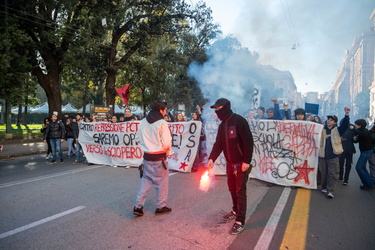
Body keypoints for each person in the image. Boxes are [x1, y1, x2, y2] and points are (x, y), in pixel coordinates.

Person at [207, 98, 254, 235]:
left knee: (240, 191)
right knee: (232, 189)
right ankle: (235, 210)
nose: (217, 111)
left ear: (226, 107)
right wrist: (211, 158)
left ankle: (240, 220)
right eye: (215, 109)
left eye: (218, 108)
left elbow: (248, 141)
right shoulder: (222, 125)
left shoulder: (239, 121)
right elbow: (218, 144)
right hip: (230, 163)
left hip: (241, 164)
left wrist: (246, 161)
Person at [133, 100, 173, 216]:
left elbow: (138, 137)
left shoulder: (143, 122)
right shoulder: (162, 123)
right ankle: (161, 206)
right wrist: (166, 151)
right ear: (161, 110)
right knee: (162, 183)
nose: (165, 112)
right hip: (159, 157)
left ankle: (138, 206)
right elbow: (166, 142)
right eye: (165, 110)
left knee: (145, 181)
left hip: (147, 157)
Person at [318, 107, 350, 198]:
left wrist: (347, 115)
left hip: (334, 156)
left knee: (333, 173)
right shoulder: (321, 129)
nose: (329, 121)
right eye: (328, 119)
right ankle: (324, 187)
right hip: (323, 155)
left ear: (335, 122)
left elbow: (345, 125)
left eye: (331, 120)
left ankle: (330, 191)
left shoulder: (338, 130)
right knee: (323, 173)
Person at [352, 119, 374, 190]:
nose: (355, 126)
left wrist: (353, 129)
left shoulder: (364, 130)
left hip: (367, 151)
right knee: (363, 168)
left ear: (360, 125)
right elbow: (357, 140)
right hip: (365, 151)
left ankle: (368, 183)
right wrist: (354, 139)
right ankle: (368, 183)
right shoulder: (361, 131)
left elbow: (362, 134)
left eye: (356, 124)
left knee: (358, 167)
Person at [338, 121, 356, 185]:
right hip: (341, 149)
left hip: (349, 149)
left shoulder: (352, 128)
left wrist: (354, 138)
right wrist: (340, 139)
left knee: (348, 165)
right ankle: (340, 176)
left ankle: (346, 179)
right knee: (341, 163)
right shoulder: (340, 129)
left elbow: (355, 139)